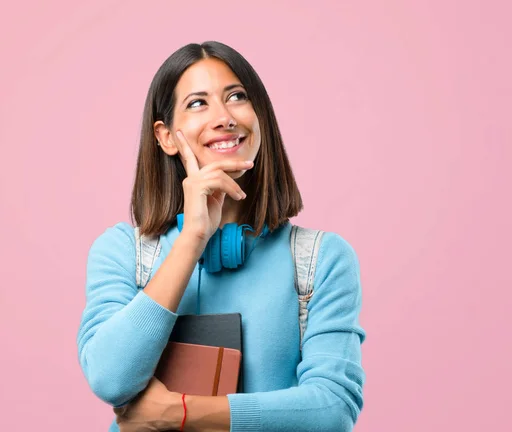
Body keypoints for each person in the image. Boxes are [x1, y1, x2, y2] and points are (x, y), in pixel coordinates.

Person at [76, 41, 366, 432]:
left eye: (237, 97)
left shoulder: (320, 259)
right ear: (165, 137)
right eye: (198, 103)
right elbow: (111, 379)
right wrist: (193, 238)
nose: (224, 117)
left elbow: (332, 409)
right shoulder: (122, 252)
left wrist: (180, 413)